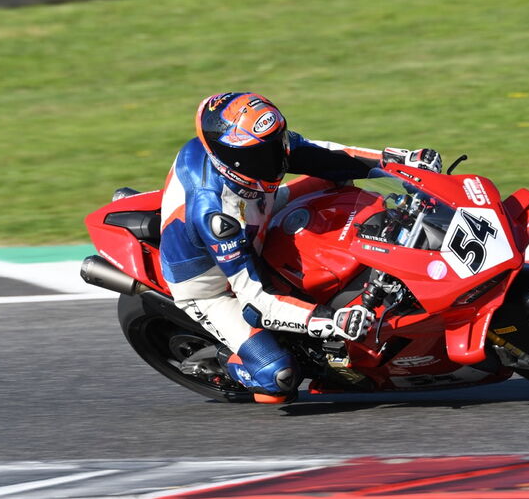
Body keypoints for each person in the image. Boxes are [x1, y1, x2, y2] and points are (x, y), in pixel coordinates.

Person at [159, 92, 442, 403]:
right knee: (278, 379)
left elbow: (324, 154)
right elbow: (257, 302)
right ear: (230, 157)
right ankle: (236, 363)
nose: (275, 159)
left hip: (259, 210)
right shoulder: (215, 215)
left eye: (275, 144)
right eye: (260, 155)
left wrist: (398, 162)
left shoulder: (250, 150)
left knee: (336, 178)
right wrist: (330, 321)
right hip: (214, 287)